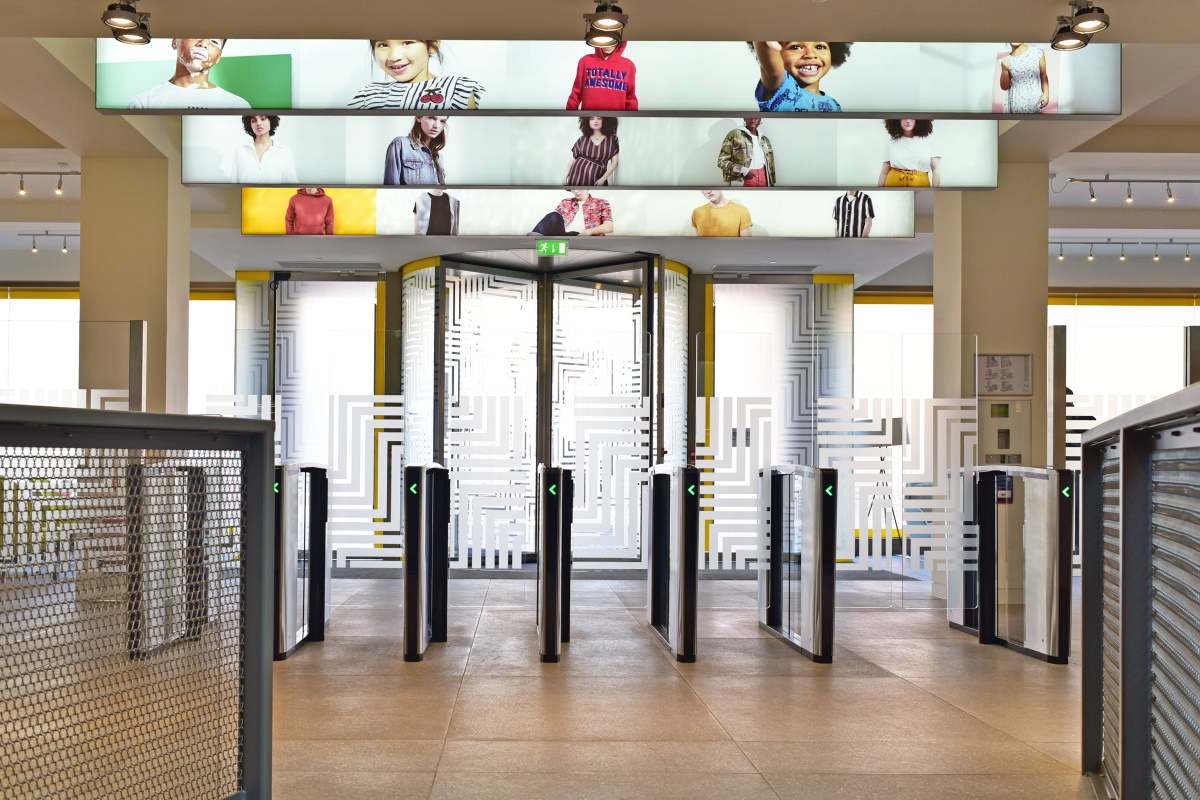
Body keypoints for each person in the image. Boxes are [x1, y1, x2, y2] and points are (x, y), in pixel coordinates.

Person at [350, 40, 483, 110]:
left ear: (433, 45)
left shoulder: (458, 88)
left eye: (407, 42)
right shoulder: (368, 94)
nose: (394, 56)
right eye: (383, 45)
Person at [126, 39, 250, 109]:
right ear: (175, 42)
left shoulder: (237, 105)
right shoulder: (143, 103)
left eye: (214, 41)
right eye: (196, 34)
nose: (203, 43)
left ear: (219, 57)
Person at [750, 41, 852, 113]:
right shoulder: (783, 88)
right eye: (796, 47)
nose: (810, 55)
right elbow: (773, 72)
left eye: (820, 47)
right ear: (778, 55)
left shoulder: (834, 104)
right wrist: (765, 42)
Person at [566, 42, 638, 111]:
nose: (608, 45)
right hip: (589, 116)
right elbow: (577, 91)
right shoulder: (585, 61)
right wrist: (569, 114)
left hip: (616, 117)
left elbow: (630, 96)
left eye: (612, 41)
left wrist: (633, 118)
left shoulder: (628, 65)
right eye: (605, 41)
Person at [229, 115, 298, 184]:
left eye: (263, 119)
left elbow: (292, 183)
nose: (258, 123)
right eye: (254, 121)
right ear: (250, 125)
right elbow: (234, 182)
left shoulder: (284, 151)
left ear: (271, 121)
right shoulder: (240, 150)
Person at [383, 116, 448, 186]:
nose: (437, 126)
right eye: (431, 118)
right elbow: (391, 188)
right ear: (419, 117)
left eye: (442, 121)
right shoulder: (400, 145)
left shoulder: (439, 157)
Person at [877, 119, 941, 187]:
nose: (908, 120)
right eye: (904, 117)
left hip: (920, 185)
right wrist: (878, 190)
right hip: (892, 185)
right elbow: (884, 172)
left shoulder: (929, 140)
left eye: (912, 117)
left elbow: (936, 169)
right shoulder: (891, 143)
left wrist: (935, 191)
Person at [528, 189, 613, 236]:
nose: (576, 191)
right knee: (553, 216)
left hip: (581, 238)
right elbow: (553, 223)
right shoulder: (566, 202)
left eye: (579, 187)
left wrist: (589, 232)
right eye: (573, 188)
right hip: (561, 235)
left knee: (573, 233)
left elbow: (609, 227)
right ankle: (532, 240)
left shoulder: (601, 202)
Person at [717, 118, 775, 187]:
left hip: (764, 178)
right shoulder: (735, 134)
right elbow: (722, 161)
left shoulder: (765, 139)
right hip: (743, 178)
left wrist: (771, 183)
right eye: (749, 118)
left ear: (760, 119)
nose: (753, 120)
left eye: (756, 118)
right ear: (744, 118)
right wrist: (744, 171)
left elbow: (770, 165)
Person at [565, 117, 620, 186]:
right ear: (587, 122)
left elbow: (614, 163)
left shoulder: (612, 139)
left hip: (598, 177)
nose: (595, 121)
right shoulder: (582, 139)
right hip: (576, 176)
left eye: (599, 118)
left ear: (605, 121)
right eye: (592, 119)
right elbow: (572, 160)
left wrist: (603, 179)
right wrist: (564, 179)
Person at [1000, 43, 1049, 113]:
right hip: (1015, 103)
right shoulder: (1007, 60)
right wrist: (1004, 70)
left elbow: (1043, 75)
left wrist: (1046, 94)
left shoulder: (1036, 51)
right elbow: (1004, 87)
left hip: (1034, 101)